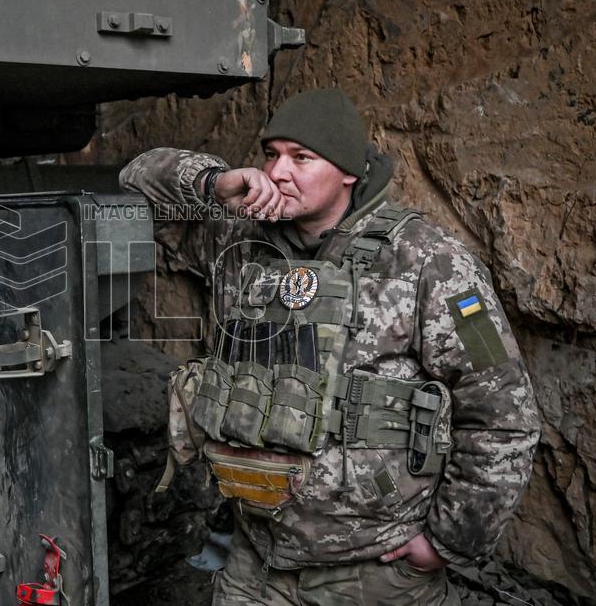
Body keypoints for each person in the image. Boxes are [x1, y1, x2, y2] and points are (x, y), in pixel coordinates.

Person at [119, 88, 540, 606]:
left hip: (372, 575)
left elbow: (503, 412)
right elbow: (137, 181)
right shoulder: (235, 239)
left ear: (347, 171)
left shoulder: (430, 262)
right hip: (254, 562)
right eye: (271, 154)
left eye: (302, 157)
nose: (277, 171)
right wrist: (215, 181)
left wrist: (449, 542)